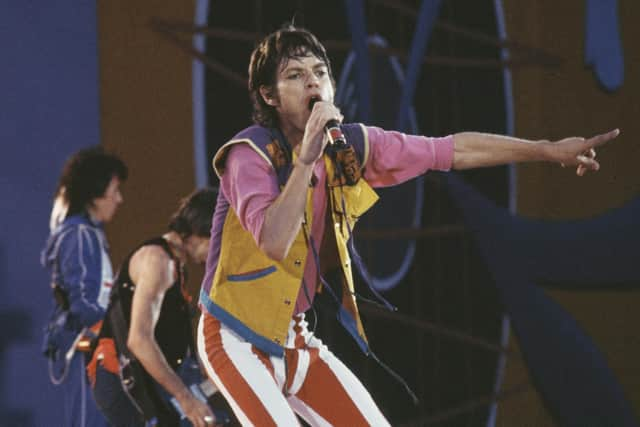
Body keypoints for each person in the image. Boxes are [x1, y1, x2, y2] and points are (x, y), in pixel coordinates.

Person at [196, 25, 619, 426]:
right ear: (269, 95)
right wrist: (306, 159)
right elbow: (273, 242)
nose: (313, 82)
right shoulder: (249, 154)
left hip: (294, 339)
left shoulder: (354, 145)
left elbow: (450, 151)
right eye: (295, 74)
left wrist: (545, 150)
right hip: (233, 335)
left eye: (320, 72)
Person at [88, 188, 225, 427]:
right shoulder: (157, 262)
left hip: (142, 377)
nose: (218, 254)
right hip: (122, 381)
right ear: (202, 230)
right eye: (218, 242)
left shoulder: (174, 263)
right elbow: (139, 340)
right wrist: (186, 399)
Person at [41, 146, 127, 427]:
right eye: (114, 190)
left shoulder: (86, 233)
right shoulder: (79, 235)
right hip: (84, 345)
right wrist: (124, 330)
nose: (119, 199)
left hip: (90, 343)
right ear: (95, 192)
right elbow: (84, 303)